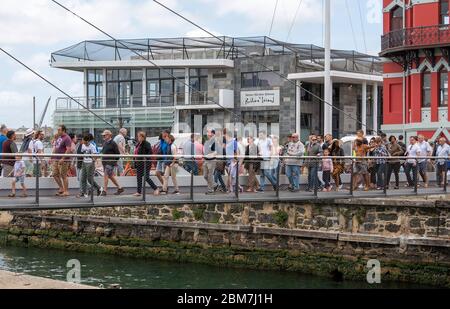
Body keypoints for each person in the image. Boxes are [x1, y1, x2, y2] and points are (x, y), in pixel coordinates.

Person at [134, 131, 159, 197]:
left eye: (139, 136)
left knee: (146, 177)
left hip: (146, 163)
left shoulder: (146, 143)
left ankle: (156, 188)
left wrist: (145, 158)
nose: (138, 137)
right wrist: (135, 162)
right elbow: (136, 153)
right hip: (139, 163)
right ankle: (138, 192)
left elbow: (150, 152)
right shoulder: (138, 144)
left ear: (142, 137)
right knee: (138, 177)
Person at [100, 130, 124, 196]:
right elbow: (103, 152)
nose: (103, 136)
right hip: (105, 162)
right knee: (110, 176)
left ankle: (104, 191)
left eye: (104, 135)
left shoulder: (113, 143)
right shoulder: (105, 143)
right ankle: (120, 188)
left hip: (110, 162)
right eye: (103, 135)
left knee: (106, 175)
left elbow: (117, 154)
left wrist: (113, 161)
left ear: (109, 135)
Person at [52, 125, 73, 197]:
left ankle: (66, 191)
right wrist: (52, 157)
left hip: (63, 160)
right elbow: (56, 147)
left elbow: (68, 149)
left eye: (59, 130)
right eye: (57, 130)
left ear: (63, 130)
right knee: (54, 174)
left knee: (63, 175)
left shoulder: (67, 138)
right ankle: (61, 188)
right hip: (56, 159)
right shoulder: (59, 137)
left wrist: (63, 158)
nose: (58, 131)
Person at [203, 129, 217, 195]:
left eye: (208, 132)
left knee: (210, 176)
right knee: (205, 176)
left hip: (211, 160)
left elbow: (216, 152)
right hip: (206, 160)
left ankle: (210, 189)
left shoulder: (215, 141)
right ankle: (214, 184)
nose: (207, 133)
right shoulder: (207, 141)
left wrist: (209, 155)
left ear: (212, 134)